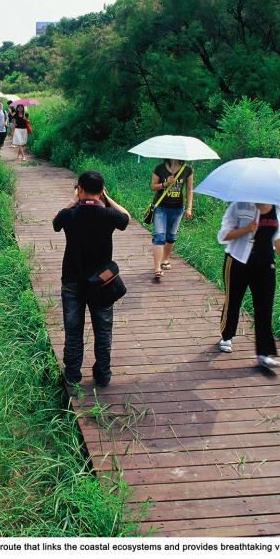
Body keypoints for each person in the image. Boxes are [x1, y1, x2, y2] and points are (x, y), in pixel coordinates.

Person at [52, 171, 131, 387]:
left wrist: (73, 200)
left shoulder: (70, 215)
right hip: (101, 284)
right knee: (103, 331)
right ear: (101, 191)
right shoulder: (109, 215)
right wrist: (107, 198)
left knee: (73, 331)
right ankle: (103, 375)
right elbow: (126, 217)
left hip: (72, 281)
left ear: (79, 189)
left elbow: (55, 222)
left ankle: (72, 375)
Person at [217, 202, 280, 368]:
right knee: (233, 300)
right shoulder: (238, 206)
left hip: (265, 263)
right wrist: (246, 229)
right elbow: (222, 236)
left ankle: (264, 353)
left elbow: (278, 234)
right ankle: (227, 336)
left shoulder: (277, 207)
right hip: (237, 260)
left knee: (265, 307)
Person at [149, 158, 193, 281]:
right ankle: (157, 268)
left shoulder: (187, 170)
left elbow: (189, 189)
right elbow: (153, 186)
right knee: (159, 236)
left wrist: (189, 207)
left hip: (177, 208)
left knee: (171, 236)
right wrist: (165, 184)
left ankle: (165, 259)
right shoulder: (160, 168)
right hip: (160, 207)